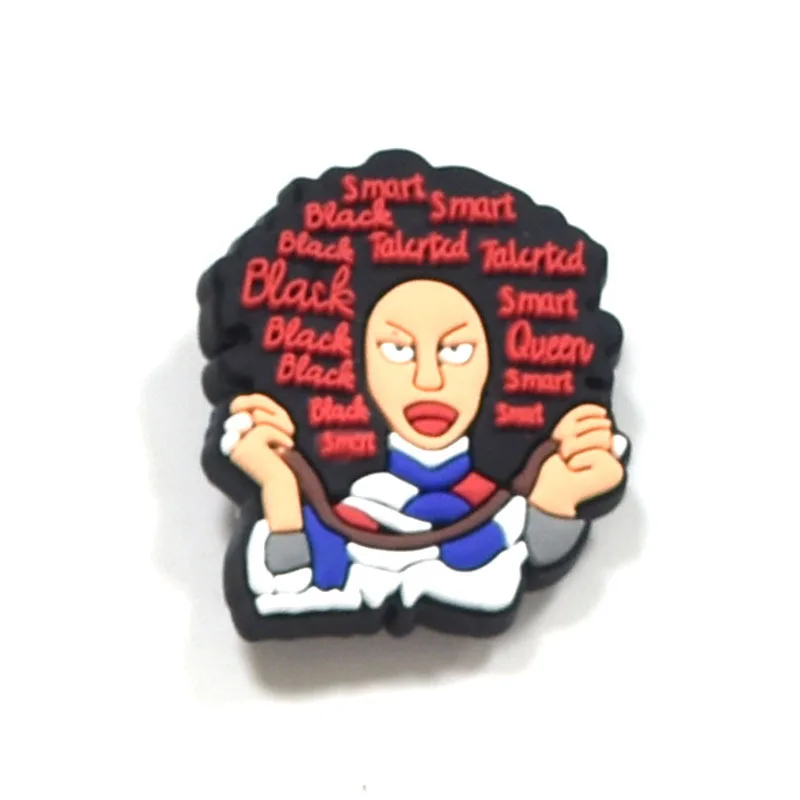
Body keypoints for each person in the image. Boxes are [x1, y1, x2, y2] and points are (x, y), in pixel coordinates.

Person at [220, 279, 628, 616]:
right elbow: (292, 587)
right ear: (362, 366)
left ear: (491, 365)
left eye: (457, 351)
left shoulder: (515, 500)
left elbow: (536, 552)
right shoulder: (341, 511)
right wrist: (277, 488)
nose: (429, 380)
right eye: (398, 351)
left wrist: (557, 500)